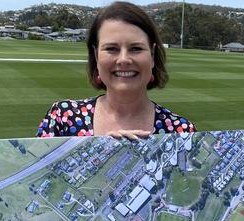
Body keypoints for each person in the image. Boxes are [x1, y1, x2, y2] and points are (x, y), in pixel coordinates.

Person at [36, 1, 195, 140]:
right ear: (96, 56)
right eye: (112, 48)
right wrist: (98, 152)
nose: (124, 59)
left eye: (136, 48)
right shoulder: (62, 119)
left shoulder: (181, 132)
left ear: (152, 55)